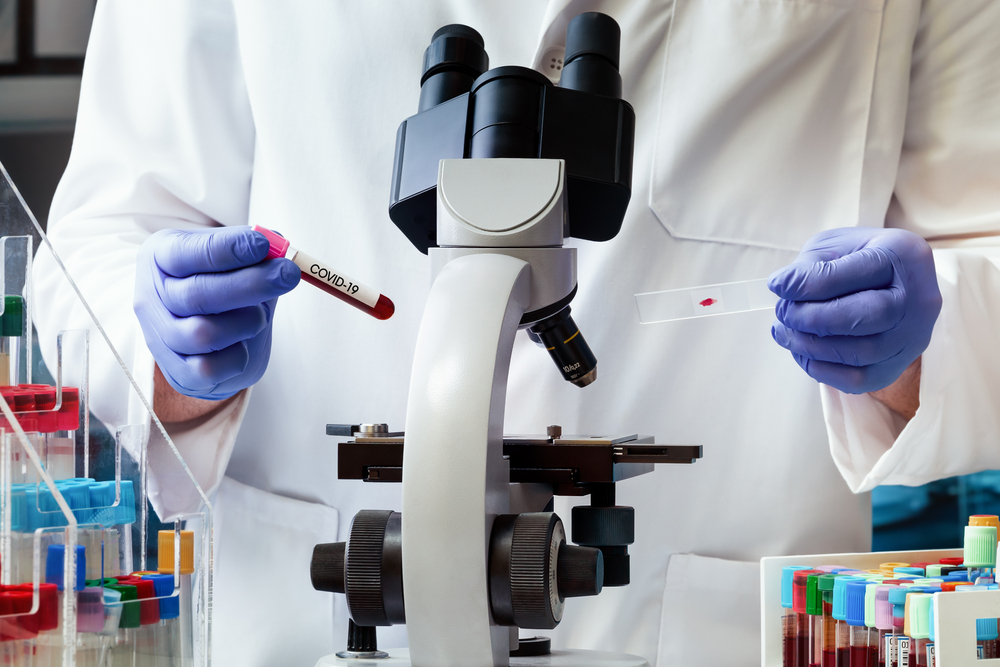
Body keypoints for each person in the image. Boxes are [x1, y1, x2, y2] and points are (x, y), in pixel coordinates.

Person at [31, 2, 1000, 665]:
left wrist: (920, 348)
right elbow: (107, 235)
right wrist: (169, 351)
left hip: (715, 618)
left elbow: (982, 248)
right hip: (312, 610)